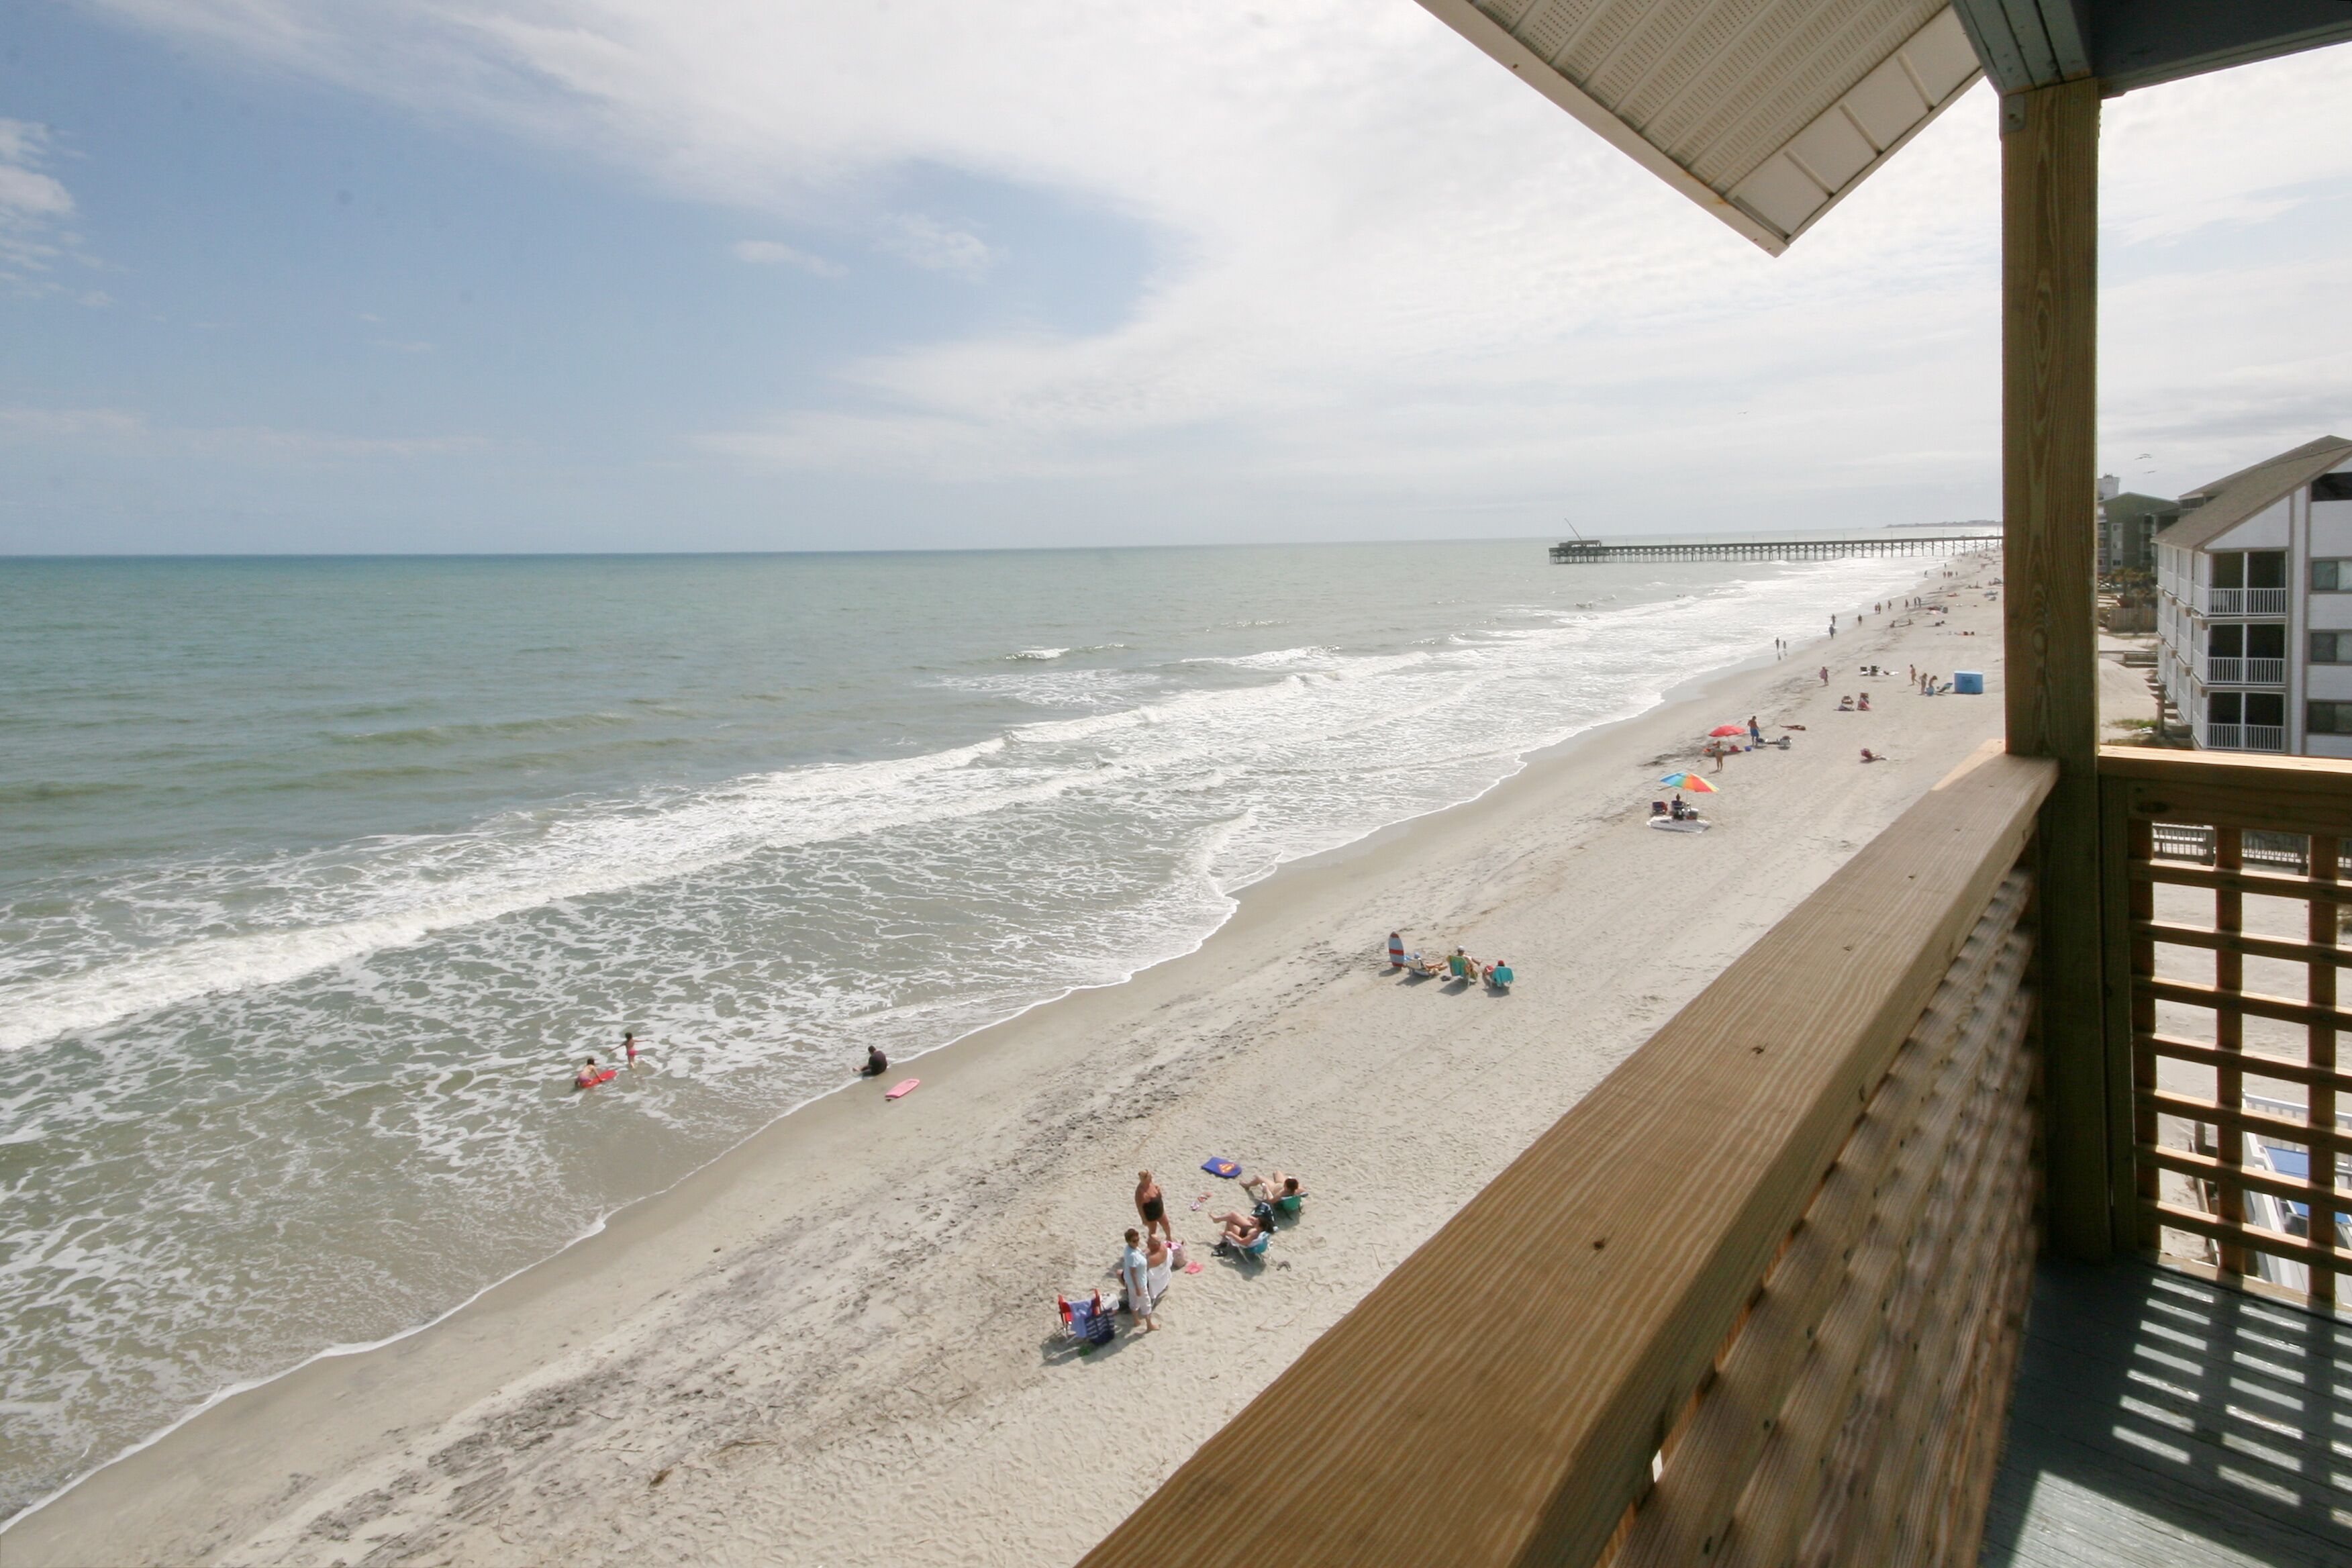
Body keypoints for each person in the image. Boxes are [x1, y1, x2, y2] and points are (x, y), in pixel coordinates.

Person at [1121, 1229, 1157, 1330]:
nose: (1137, 1242)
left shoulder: (1129, 1249)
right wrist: (1137, 1288)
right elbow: (1133, 1273)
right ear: (1128, 1241)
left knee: (1133, 1301)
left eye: (1138, 1240)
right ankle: (1149, 1325)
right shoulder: (1132, 1256)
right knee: (1146, 1303)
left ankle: (1136, 1321)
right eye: (1134, 1241)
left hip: (1131, 1282)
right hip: (1139, 1283)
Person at [1136, 1170, 1171, 1244]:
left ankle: (1169, 1238)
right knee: (1153, 1232)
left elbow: (1157, 1191)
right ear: (1145, 1179)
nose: (1152, 1178)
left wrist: (1159, 1189)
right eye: (1150, 1177)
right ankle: (1151, 1246)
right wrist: (1144, 1219)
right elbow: (1139, 1207)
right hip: (1151, 1214)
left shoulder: (1150, 1184)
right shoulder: (1140, 1192)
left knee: (1166, 1224)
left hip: (1160, 1210)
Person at [1244, 1170, 1308, 1206]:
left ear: (1287, 1188)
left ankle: (1247, 1185)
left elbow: (1271, 1201)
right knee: (1277, 1172)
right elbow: (1305, 1192)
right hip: (1280, 1184)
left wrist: (1267, 1190)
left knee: (1259, 1178)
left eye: (1285, 1186)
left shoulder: (1282, 1193)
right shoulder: (1297, 1190)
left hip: (1273, 1188)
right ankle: (1281, 1181)